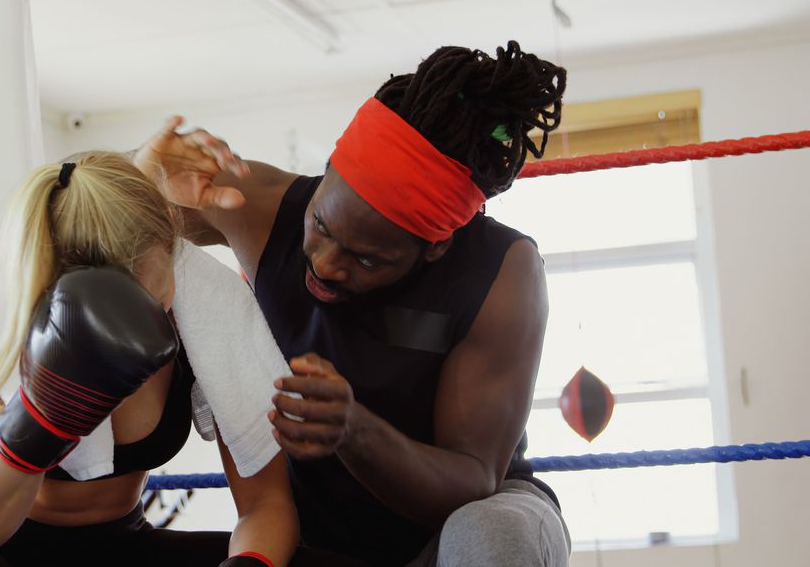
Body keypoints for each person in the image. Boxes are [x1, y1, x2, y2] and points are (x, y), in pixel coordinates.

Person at [132, 41, 571, 566]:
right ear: (326, 173)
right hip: (319, 536)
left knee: (488, 534)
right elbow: (99, 221)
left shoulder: (503, 271)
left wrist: (354, 430)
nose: (325, 263)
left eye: (366, 259)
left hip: (458, 527)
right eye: (320, 226)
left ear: (434, 247)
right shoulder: (263, 207)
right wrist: (142, 176)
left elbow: (471, 482)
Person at [0, 152, 298, 566]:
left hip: (121, 546)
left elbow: (265, 503)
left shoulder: (206, 303)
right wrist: (41, 417)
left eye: (132, 298)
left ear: (168, 243)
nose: (116, 321)